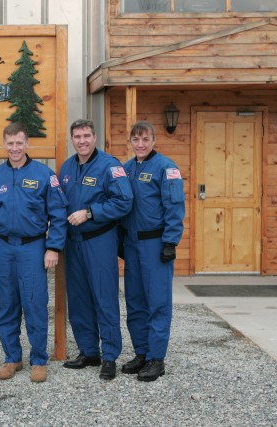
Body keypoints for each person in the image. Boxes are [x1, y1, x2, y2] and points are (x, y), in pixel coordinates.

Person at [0, 123, 68, 383]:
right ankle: (12, 358)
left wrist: (53, 247)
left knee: (34, 304)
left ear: (27, 144)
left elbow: (59, 214)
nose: (15, 148)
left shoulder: (44, 174)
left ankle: (39, 359)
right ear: (4, 144)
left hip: (33, 247)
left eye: (19, 143)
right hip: (5, 249)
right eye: (10, 143)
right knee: (7, 305)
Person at [59, 119, 133, 380]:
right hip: (72, 243)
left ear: (95, 137)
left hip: (99, 241)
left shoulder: (110, 166)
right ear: (72, 139)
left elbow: (124, 201)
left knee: (104, 298)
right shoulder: (66, 168)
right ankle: (89, 351)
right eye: (77, 136)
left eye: (86, 136)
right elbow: (58, 204)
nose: (82, 141)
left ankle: (110, 355)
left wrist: (91, 213)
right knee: (79, 300)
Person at [120, 120, 185, 382]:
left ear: (154, 141)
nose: (141, 144)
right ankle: (142, 353)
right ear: (131, 142)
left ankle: (157, 359)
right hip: (132, 244)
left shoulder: (167, 168)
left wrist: (170, 242)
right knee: (135, 301)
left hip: (155, 244)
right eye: (136, 140)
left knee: (157, 302)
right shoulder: (125, 169)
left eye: (145, 139)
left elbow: (174, 205)